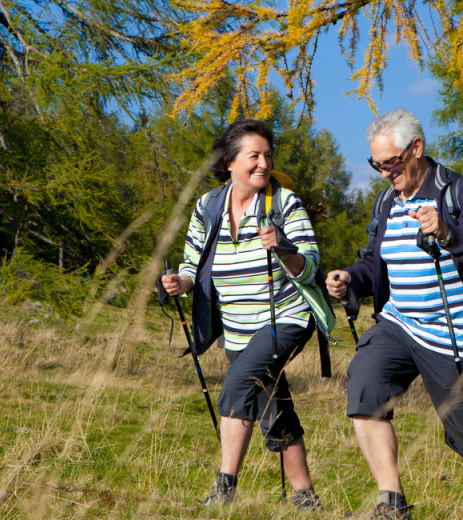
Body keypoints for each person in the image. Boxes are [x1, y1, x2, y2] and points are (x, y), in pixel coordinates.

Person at [326, 109, 463, 520]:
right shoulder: (387, 201)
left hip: (454, 333)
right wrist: (350, 279)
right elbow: (377, 263)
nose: (382, 172)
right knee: (365, 389)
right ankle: (391, 505)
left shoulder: (458, 192)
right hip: (399, 323)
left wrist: (448, 234)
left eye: (390, 162)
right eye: (375, 164)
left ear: (417, 148)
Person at [161, 119, 322, 510]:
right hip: (237, 329)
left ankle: (225, 488)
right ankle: (305, 498)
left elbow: (311, 265)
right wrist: (179, 283)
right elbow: (192, 261)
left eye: (268, 156)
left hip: (285, 319)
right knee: (273, 407)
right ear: (230, 162)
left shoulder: (284, 203)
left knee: (237, 383)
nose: (263, 164)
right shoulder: (208, 205)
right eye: (254, 156)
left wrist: (284, 249)